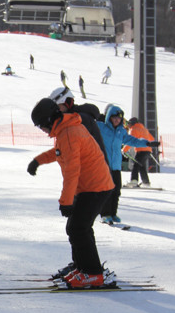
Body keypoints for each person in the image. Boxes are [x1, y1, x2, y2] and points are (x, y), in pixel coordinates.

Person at [27, 98, 114, 289]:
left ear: (50, 120)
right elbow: (59, 152)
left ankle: (92, 273)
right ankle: (84, 268)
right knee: (77, 228)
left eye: (42, 126)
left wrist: (66, 201)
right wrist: (38, 161)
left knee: (78, 228)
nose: (43, 130)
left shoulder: (69, 133)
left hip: (95, 187)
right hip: (92, 186)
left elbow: (72, 171)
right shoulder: (66, 130)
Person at [96, 104, 143, 224]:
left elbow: (132, 140)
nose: (117, 120)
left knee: (116, 191)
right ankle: (105, 214)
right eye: (114, 117)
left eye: (119, 118)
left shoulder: (121, 131)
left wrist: (147, 143)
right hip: (104, 165)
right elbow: (87, 125)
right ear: (109, 117)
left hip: (116, 166)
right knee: (106, 191)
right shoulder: (101, 127)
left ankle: (113, 213)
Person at [48, 86, 105, 158]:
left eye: (58, 107)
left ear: (66, 103)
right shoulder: (71, 119)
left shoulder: (81, 119)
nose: (57, 111)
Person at [124, 117, 158, 187]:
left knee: (136, 165)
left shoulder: (134, 129)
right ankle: (146, 182)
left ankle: (134, 181)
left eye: (128, 123)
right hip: (148, 150)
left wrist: (124, 150)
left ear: (132, 123)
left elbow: (131, 141)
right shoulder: (144, 129)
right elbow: (151, 139)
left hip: (141, 150)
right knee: (141, 166)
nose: (128, 125)